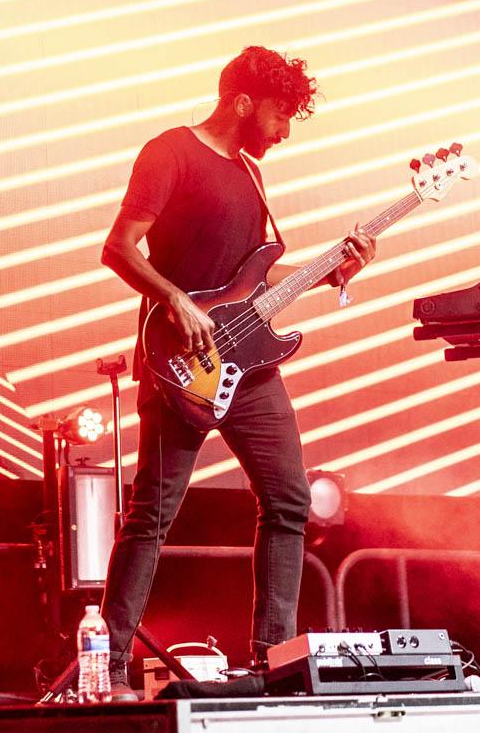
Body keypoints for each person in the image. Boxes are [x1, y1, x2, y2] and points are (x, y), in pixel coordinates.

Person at [98, 45, 378, 698]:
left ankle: (273, 661)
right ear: (243, 102)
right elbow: (118, 246)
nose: (283, 133)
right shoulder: (170, 152)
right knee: (152, 514)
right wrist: (172, 297)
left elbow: (252, 282)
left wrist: (331, 270)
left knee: (289, 500)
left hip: (247, 365)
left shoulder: (250, 175)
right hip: (179, 361)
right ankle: (108, 664)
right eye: (279, 116)